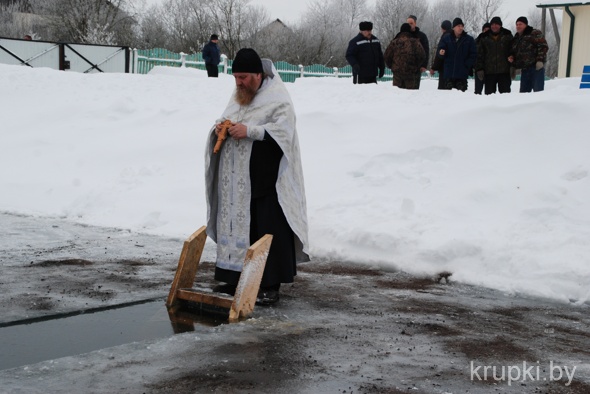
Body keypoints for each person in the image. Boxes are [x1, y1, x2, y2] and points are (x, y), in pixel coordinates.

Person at [205, 48, 309, 306]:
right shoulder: (240, 94)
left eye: (243, 77)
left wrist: (251, 131)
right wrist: (221, 126)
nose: (239, 83)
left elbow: (284, 131)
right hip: (237, 179)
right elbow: (231, 117)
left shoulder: (278, 96)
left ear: (258, 75)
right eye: (236, 77)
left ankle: (269, 285)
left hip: (267, 178)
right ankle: (233, 278)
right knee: (240, 226)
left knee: (267, 228)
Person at [508, 16, 549, 93]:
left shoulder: (534, 33)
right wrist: (512, 60)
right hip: (524, 69)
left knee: (538, 92)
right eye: (517, 24)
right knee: (524, 94)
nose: (518, 26)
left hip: (536, 68)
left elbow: (543, 46)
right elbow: (513, 51)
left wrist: (539, 60)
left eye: (520, 24)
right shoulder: (516, 38)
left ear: (526, 25)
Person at [436, 18, 477, 92]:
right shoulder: (446, 38)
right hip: (448, 73)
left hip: (462, 74)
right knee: (447, 98)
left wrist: (467, 64)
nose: (460, 28)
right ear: (453, 27)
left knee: (461, 99)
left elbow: (473, 54)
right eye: (458, 26)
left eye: (462, 26)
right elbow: (440, 50)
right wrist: (441, 53)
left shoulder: (469, 40)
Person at [475, 17, 513, 95]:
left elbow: (513, 50)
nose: (494, 26)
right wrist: (479, 68)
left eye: (496, 24)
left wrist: (513, 65)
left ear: (500, 25)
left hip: (504, 71)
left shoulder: (507, 35)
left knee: (506, 96)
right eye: (492, 24)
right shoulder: (483, 37)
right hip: (489, 72)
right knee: (489, 96)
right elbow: (479, 54)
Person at [384, 23, 426, 90]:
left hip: (397, 74)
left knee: (397, 94)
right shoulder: (415, 42)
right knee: (409, 96)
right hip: (411, 73)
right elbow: (422, 56)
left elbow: (387, 56)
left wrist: (392, 66)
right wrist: (416, 66)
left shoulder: (394, 42)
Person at [406, 15, 429, 89]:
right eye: (408, 23)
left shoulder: (421, 36)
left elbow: (426, 50)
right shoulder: (403, 35)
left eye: (411, 23)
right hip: (404, 67)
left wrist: (424, 65)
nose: (409, 25)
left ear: (415, 24)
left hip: (416, 67)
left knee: (413, 89)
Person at [430, 20, 452, 90]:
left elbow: (440, 54)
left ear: (443, 28)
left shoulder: (445, 38)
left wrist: (434, 67)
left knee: (443, 91)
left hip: (445, 69)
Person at [473, 22, 491, 95]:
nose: (486, 31)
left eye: (488, 29)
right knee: (477, 92)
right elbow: (474, 55)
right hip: (479, 70)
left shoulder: (494, 41)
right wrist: (478, 68)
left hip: (490, 71)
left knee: (490, 93)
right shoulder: (477, 41)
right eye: (485, 29)